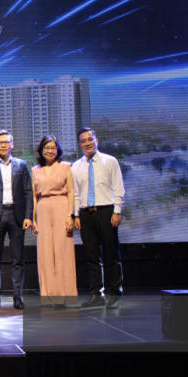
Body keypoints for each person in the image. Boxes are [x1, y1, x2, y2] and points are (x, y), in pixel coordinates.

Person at [0, 130, 33, 310]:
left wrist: (28, 216)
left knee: (18, 258)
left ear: (12, 144)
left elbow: (28, 192)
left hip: (17, 216)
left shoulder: (21, 164)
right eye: (0, 142)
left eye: (7, 142)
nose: (4, 145)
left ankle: (17, 296)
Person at [72, 128, 125, 309]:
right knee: (92, 256)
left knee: (111, 254)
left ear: (97, 140)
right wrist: (76, 215)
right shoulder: (76, 166)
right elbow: (76, 194)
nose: (87, 143)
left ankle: (115, 292)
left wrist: (117, 211)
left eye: (90, 139)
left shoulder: (110, 161)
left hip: (106, 211)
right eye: (83, 141)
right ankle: (97, 293)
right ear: (79, 144)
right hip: (86, 214)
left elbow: (118, 188)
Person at [31, 135, 77, 308]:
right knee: (45, 254)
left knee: (63, 251)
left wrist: (70, 215)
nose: (50, 151)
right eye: (47, 148)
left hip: (61, 207)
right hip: (43, 209)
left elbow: (71, 192)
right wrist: (33, 219)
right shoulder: (35, 170)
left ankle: (66, 295)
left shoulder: (66, 167)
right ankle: (49, 296)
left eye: (53, 148)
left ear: (58, 150)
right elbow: (34, 196)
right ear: (41, 150)